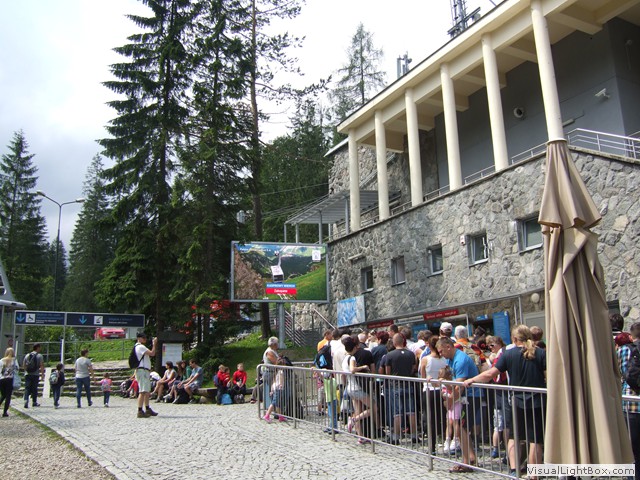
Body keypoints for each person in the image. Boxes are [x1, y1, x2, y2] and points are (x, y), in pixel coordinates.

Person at [464, 325, 546, 478]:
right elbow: (548, 376)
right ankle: (534, 474)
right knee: (535, 439)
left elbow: (490, 374)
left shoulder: (508, 354)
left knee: (514, 436)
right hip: (537, 400)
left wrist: (472, 380)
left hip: (516, 401)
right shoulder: (540, 353)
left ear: (514, 339)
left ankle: (514, 470)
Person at [436, 336, 483, 472]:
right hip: (465, 396)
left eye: (441, 351)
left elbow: (459, 386)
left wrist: (450, 401)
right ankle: (471, 459)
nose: (441, 354)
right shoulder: (451, 359)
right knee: (463, 429)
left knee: (462, 428)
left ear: (448, 347)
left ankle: (466, 462)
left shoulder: (460, 360)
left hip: (471, 396)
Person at [385, 333, 419, 444]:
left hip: (395, 385)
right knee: (411, 411)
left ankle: (396, 437)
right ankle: (414, 435)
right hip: (408, 384)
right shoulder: (411, 354)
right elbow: (413, 368)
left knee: (397, 412)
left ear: (394, 342)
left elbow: (387, 372)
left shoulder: (390, 355)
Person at [343, 335, 376, 445]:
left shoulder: (345, 359)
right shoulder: (352, 358)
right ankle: (354, 419)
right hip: (357, 388)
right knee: (374, 408)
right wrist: (363, 367)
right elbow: (352, 369)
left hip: (350, 387)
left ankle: (360, 436)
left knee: (357, 410)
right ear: (354, 347)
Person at [617, 321, 640, 479]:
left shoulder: (624, 350)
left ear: (631, 336)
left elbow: (620, 373)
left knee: (632, 449)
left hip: (630, 403)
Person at [419, 334, 448, 454]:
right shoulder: (444, 360)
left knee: (430, 417)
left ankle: (432, 446)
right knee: (443, 416)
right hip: (442, 390)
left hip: (429, 390)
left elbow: (422, 376)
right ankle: (446, 441)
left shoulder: (425, 359)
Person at [133, 332, 158, 417]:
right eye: (143, 338)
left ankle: (147, 408)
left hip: (144, 370)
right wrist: (154, 344)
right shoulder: (140, 347)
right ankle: (140, 410)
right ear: (139, 338)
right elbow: (152, 353)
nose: (145, 339)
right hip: (142, 371)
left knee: (146, 391)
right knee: (142, 391)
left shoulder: (139, 347)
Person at [439, 365, 462, 455]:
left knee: (455, 422)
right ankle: (447, 439)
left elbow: (450, 388)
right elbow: (437, 387)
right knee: (449, 422)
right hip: (449, 405)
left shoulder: (452, 382)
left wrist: (445, 383)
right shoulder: (443, 383)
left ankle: (456, 439)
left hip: (456, 403)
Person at [262, 357, 287, 423]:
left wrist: (272, 390)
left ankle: (280, 416)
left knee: (278, 404)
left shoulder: (276, 372)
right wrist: (281, 385)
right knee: (274, 403)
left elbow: (274, 381)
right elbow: (281, 380)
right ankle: (267, 415)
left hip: (275, 387)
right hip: (279, 388)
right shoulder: (281, 372)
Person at [23, 343, 44, 408]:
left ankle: (26, 400)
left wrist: (26, 371)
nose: (40, 348)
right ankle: (34, 402)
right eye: (40, 347)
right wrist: (42, 374)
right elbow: (41, 365)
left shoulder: (27, 355)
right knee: (34, 388)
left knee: (27, 388)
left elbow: (24, 365)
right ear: (37, 347)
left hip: (27, 374)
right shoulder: (39, 356)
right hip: (35, 374)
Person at [262, 337, 280, 409]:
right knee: (273, 391)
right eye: (277, 343)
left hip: (273, 373)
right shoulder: (269, 352)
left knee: (274, 391)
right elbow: (276, 362)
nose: (278, 345)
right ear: (274, 344)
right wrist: (280, 361)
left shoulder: (273, 351)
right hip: (270, 373)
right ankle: (273, 409)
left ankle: (275, 408)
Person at [0, 347, 19, 416]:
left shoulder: (1, 360)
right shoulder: (14, 360)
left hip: (1, 379)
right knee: (8, 396)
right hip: (9, 379)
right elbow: (17, 369)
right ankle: (5, 412)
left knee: (3, 395)